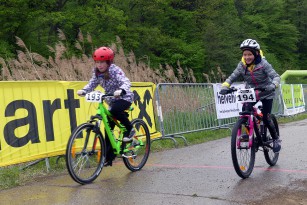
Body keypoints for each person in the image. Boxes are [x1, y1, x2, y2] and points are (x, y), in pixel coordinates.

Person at [220, 39, 281, 153]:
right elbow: (232, 77)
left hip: (267, 91)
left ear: (256, 53)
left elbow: (276, 76)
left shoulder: (263, 64)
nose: (247, 57)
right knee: (245, 111)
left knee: (266, 119)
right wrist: (225, 86)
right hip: (252, 92)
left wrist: (273, 85)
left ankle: (276, 139)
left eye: (250, 54)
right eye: (245, 54)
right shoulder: (242, 65)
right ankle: (248, 133)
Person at [77, 46, 135, 166]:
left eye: (102, 62)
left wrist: (121, 90)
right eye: (97, 62)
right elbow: (92, 84)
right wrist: (84, 91)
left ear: (109, 62)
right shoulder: (97, 72)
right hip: (111, 99)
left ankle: (130, 130)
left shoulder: (114, 70)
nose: (100, 65)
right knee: (108, 128)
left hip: (124, 97)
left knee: (114, 110)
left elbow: (126, 81)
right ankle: (109, 158)